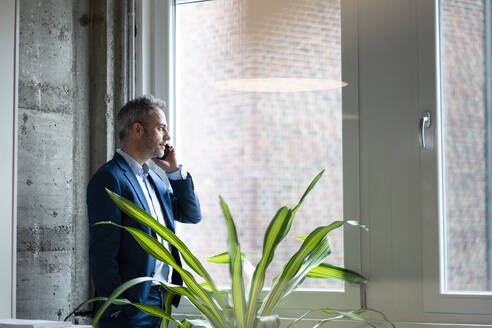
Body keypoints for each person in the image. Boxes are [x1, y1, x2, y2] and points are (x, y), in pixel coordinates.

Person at [87, 95, 202, 328]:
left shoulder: (156, 181)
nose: (167, 137)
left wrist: (174, 173)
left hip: (161, 301)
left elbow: (191, 214)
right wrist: (116, 307)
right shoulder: (110, 177)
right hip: (131, 307)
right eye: (161, 128)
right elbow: (103, 251)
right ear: (138, 129)